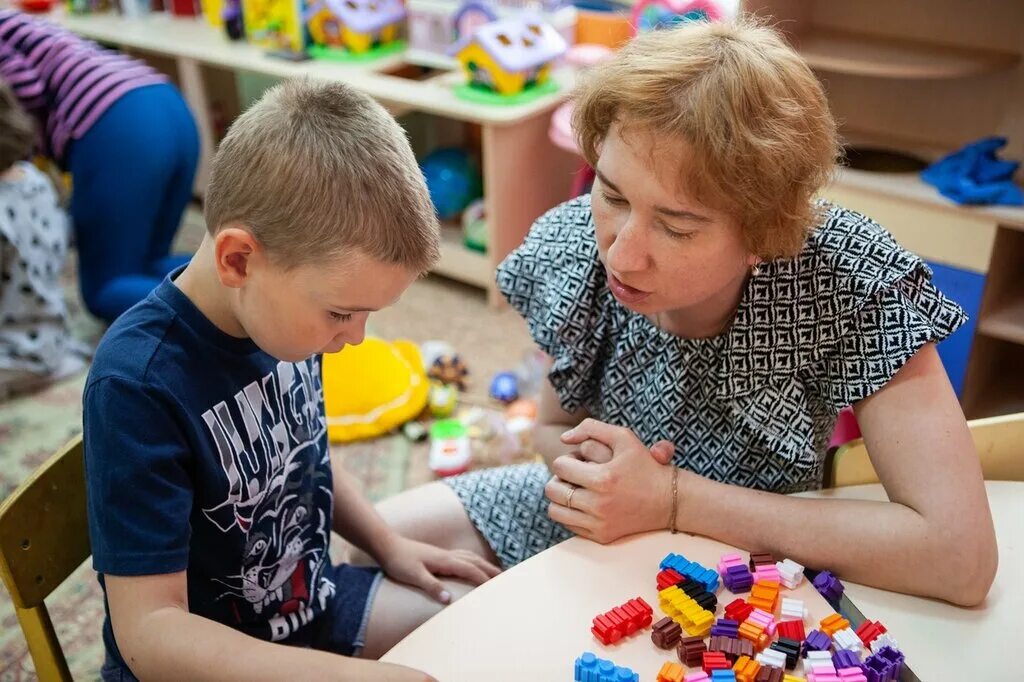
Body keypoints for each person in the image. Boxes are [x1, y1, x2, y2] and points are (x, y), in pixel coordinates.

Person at [364, 19, 998, 607]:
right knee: (361, 553)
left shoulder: (847, 280)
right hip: (601, 515)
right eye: (611, 194)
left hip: (750, 564)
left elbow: (959, 558)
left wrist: (671, 499)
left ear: (764, 233)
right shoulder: (577, 246)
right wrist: (603, 476)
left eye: (677, 226)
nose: (623, 255)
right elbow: (553, 426)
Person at [84, 79, 498, 682]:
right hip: (203, 662)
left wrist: (388, 544)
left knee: (478, 627)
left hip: (309, 606)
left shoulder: (285, 319)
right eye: (341, 312)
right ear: (238, 260)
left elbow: (306, 454)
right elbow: (150, 634)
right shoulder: (136, 386)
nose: (355, 337)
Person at [0, 9, 199, 322]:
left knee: (105, 289)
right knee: (148, 262)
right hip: (164, 103)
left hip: (119, 126)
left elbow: (21, 95)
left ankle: (228, 321)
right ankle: (251, 286)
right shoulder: (13, 21)